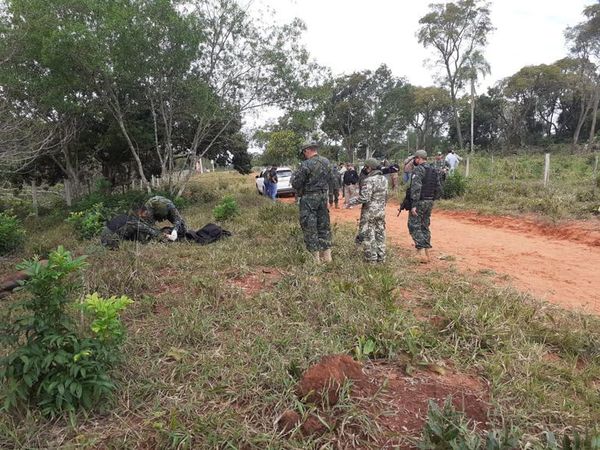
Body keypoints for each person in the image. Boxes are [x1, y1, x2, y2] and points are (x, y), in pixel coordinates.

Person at [291, 142, 335, 263]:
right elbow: (333, 180)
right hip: (323, 197)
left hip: (309, 199)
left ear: (307, 151)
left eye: (304, 153)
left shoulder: (305, 165)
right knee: (324, 227)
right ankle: (327, 257)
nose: (304, 155)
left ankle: (315, 260)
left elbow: (296, 184)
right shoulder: (327, 162)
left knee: (310, 227)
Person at [348, 158, 388, 263]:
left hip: (369, 211)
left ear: (369, 168)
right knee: (380, 233)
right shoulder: (384, 179)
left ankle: (371, 259)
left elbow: (365, 198)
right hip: (381, 210)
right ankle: (381, 257)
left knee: (368, 235)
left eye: (366, 167)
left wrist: (351, 202)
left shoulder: (369, 180)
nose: (365, 169)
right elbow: (385, 196)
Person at [407, 150, 442, 262]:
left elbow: (416, 188)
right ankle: (427, 253)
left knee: (414, 225)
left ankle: (421, 252)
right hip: (429, 201)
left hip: (420, 201)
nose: (414, 161)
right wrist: (432, 199)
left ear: (419, 158)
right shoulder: (433, 170)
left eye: (415, 158)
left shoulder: (419, 169)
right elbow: (438, 187)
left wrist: (414, 205)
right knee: (425, 225)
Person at [100, 213, 171, 249]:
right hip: (111, 242)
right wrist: (163, 237)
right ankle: (145, 243)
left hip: (104, 240)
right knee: (140, 229)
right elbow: (148, 229)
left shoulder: (125, 217)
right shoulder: (133, 221)